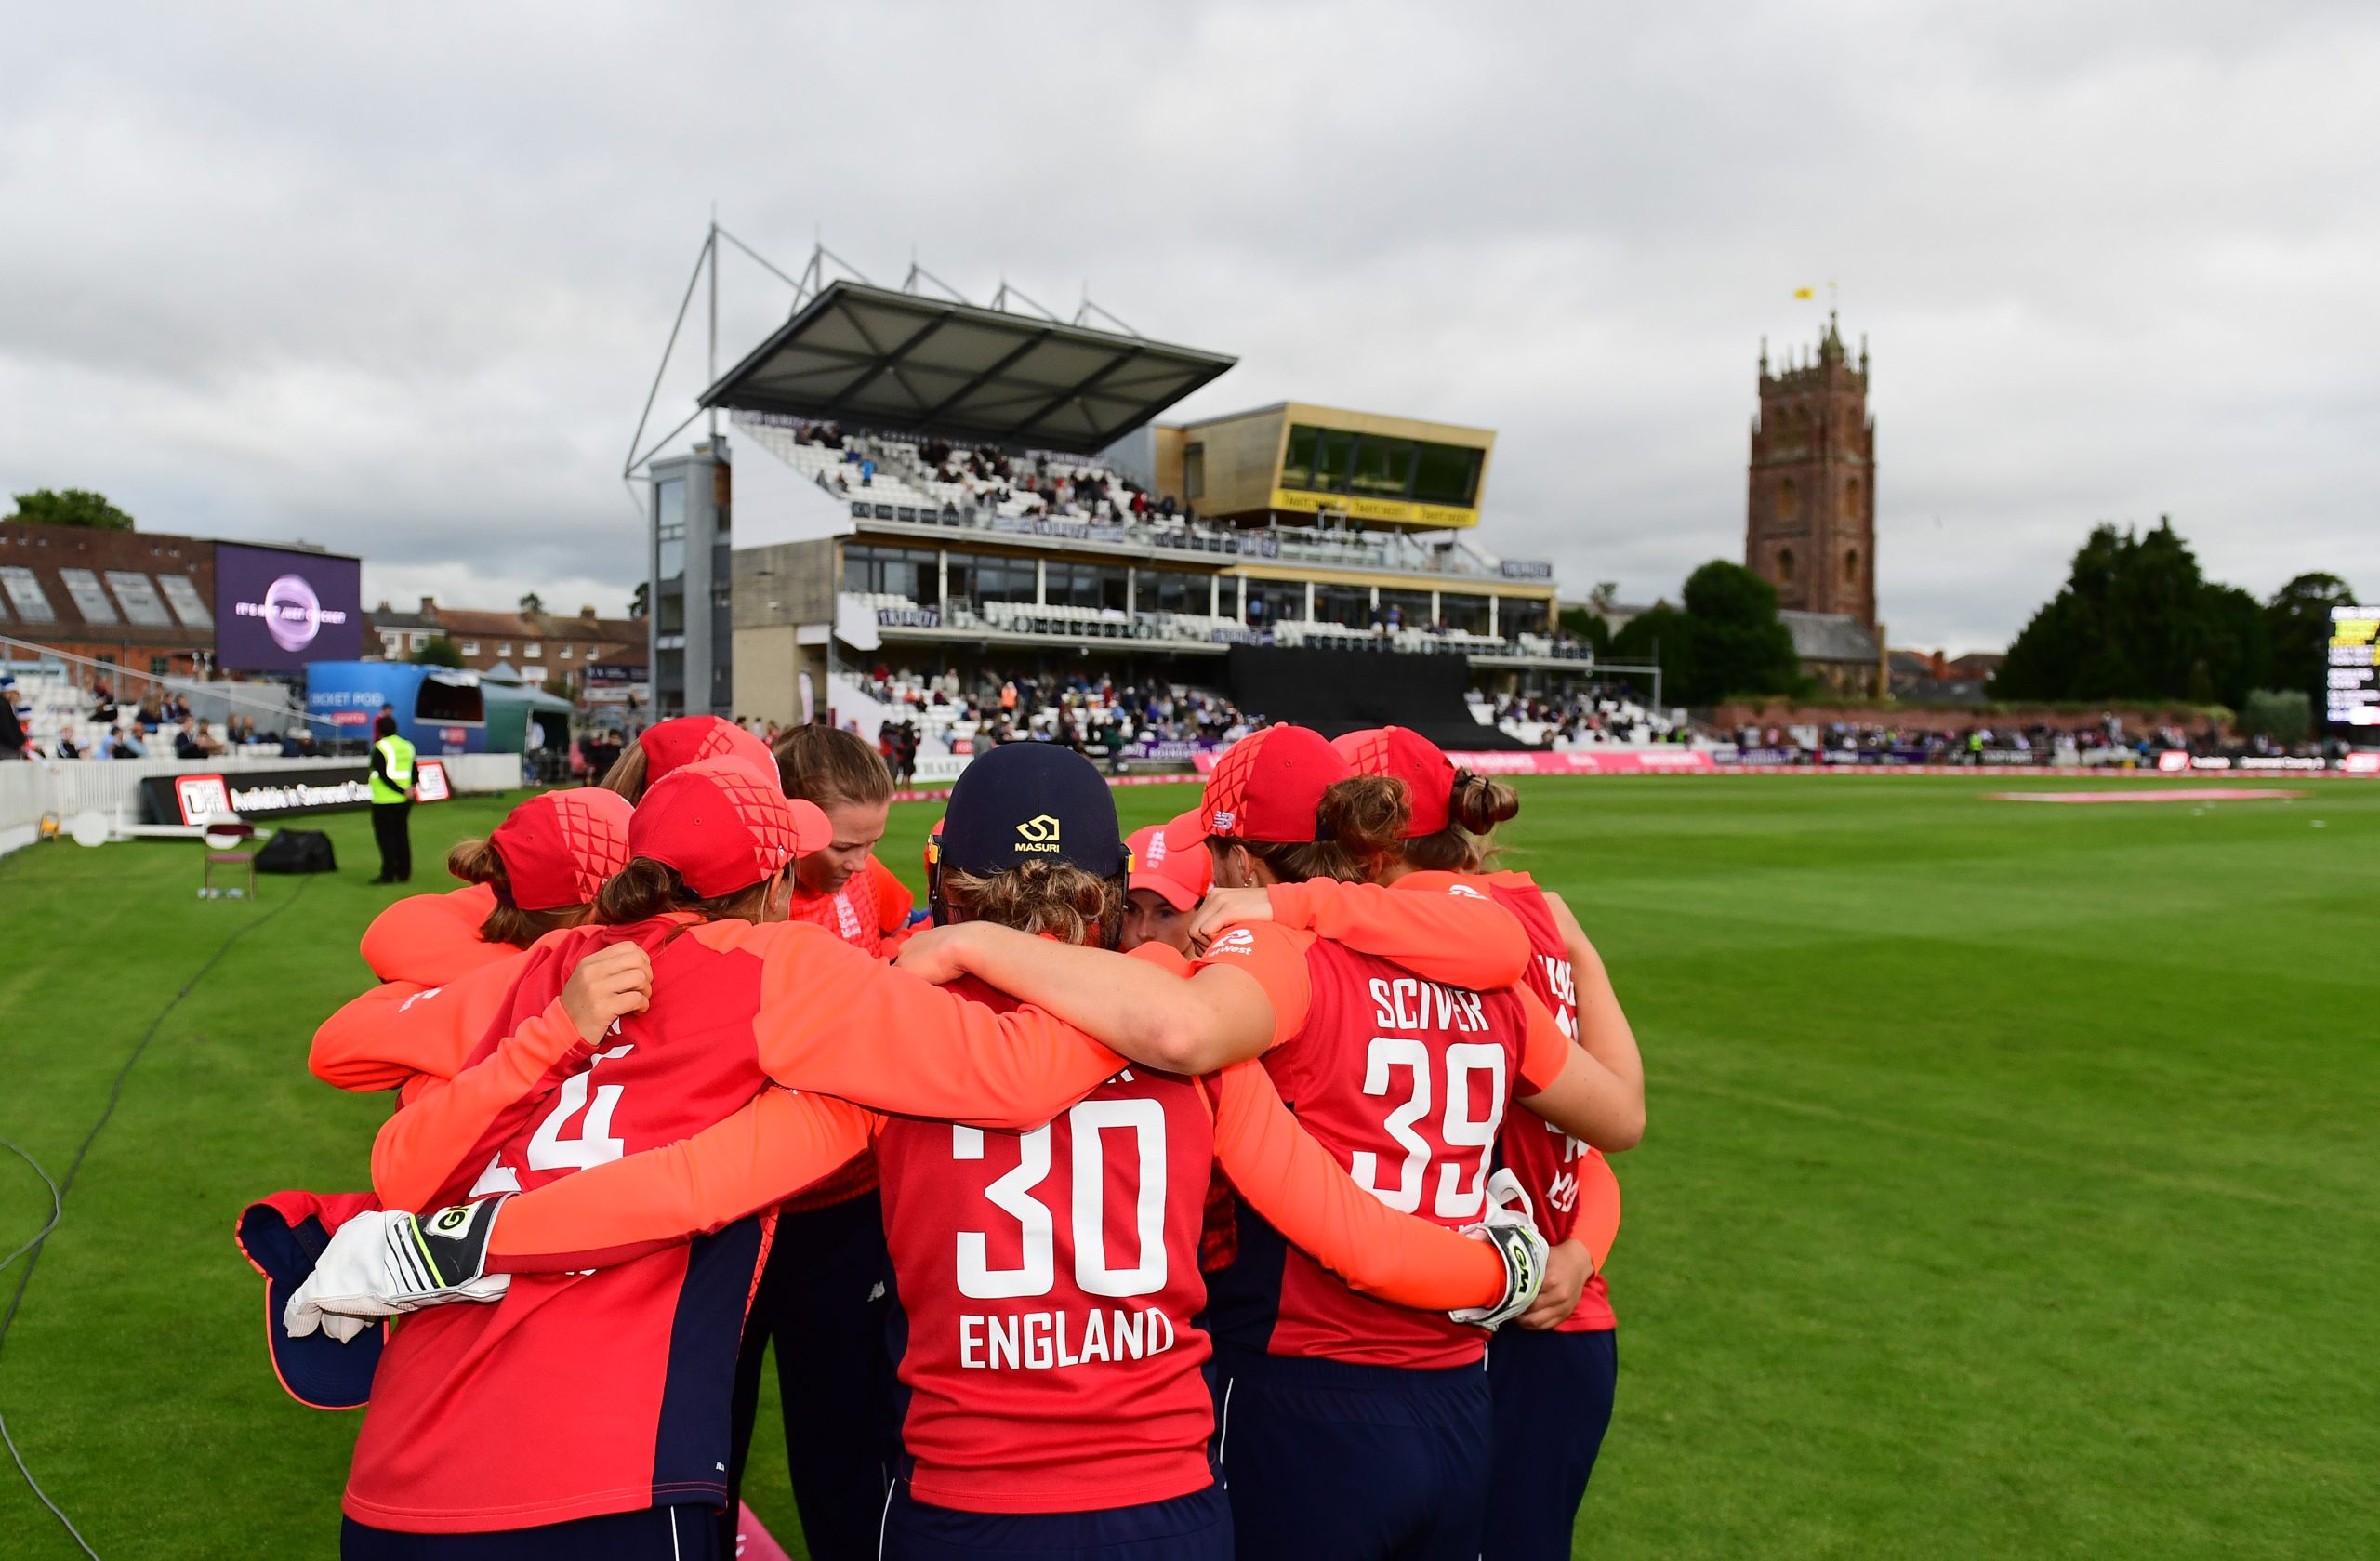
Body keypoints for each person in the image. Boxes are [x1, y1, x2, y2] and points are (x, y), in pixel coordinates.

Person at [293, 746, 1551, 1561]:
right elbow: (1335, 1202)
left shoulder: (866, 1026)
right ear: (1118, 888)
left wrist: (462, 1228)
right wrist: (1499, 1265)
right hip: (1167, 1490)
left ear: (936, 878)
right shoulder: (1216, 1010)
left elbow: (696, 1178)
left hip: (968, 1497)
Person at [282, 757, 1173, 1555]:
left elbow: (390, 1141)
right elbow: (1010, 1074)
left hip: (406, 1462)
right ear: (781, 883)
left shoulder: (555, 961)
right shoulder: (784, 967)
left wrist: (544, 1041)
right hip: (605, 1460)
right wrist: (1174, 990)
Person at [893, 723, 1646, 1561]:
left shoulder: (1263, 964)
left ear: (1243, 865)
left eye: (1216, 856)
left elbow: (1178, 1033)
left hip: (1304, 1381)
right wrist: (1556, 1252)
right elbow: (1615, 1120)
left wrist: (965, 942)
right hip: (1458, 1386)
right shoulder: (1479, 966)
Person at [1323, 726, 1636, 1560]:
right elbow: (1607, 1124)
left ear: (1372, 837)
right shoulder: (1541, 909)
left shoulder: (1412, 932)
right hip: (1565, 1311)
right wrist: (1583, 1248)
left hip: (1477, 1322)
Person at [0, 676, 24, 761]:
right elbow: (6, 729)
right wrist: (18, 744)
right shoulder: (3, 705)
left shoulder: (6, 705)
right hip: (6, 749)